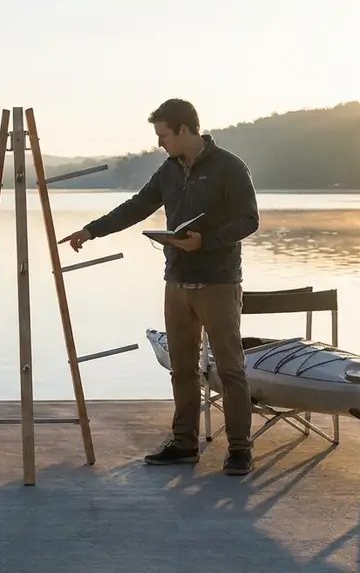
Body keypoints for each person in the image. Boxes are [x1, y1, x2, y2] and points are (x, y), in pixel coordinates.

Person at [58, 98, 260, 476]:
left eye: (163, 135)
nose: (160, 144)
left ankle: (239, 450)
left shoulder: (230, 167)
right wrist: (91, 230)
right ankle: (184, 444)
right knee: (182, 369)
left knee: (230, 370)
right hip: (176, 283)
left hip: (219, 282)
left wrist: (207, 240)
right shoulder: (168, 171)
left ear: (185, 130)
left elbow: (249, 220)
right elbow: (137, 206)